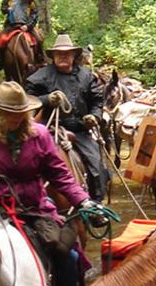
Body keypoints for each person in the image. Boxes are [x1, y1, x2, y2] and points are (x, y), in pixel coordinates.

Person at [0, 81, 97, 286]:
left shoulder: (40, 134)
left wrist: (83, 200)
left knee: (69, 254)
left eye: (20, 113)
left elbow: (59, 174)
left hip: (33, 208)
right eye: (9, 114)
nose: (15, 119)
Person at [25, 33, 111, 202]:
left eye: (67, 54)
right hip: (48, 129)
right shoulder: (40, 76)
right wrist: (46, 99)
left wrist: (94, 116)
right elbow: (27, 100)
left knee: (96, 166)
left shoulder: (86, 76)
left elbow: (97, 100)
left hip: (79, 130)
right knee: (26, 162)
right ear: (53, 56)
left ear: (73, 56)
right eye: (59, 54)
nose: (63, 57)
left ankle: (95, 205)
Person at [0, 0, 43, 68]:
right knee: (0, 38)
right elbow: (3, 8)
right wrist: (7, 9)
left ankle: (40, 58)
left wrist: (28, 26)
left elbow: (34, 16)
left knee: (38, 39)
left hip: (26, 25)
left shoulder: (32, 3)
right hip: (11, 25)